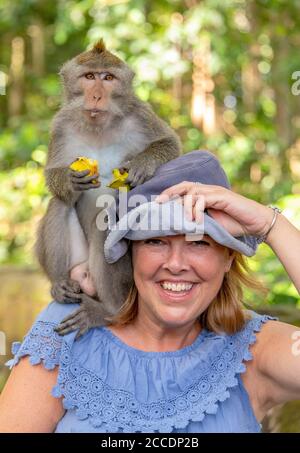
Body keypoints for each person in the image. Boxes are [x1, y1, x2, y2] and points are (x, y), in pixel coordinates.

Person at [0, 150, 299, 433]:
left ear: (228, 258)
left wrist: (271, 225)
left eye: (199, 242)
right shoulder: (70, 327)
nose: (176, 264)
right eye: (156, 240)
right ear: (131, 253)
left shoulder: (252, 350)